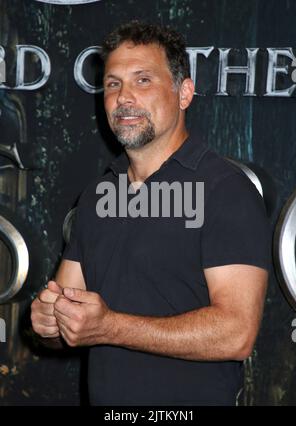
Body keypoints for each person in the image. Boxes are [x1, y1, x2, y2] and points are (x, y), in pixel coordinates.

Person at [31, 21, 271, 406]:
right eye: (113, 84)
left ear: (184, 93)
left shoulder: (225, 189)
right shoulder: (98, 194)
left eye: (143, 80)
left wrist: (110, 327)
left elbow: (236, 334)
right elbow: (67, 310)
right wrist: (50, 323)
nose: (124, 97)